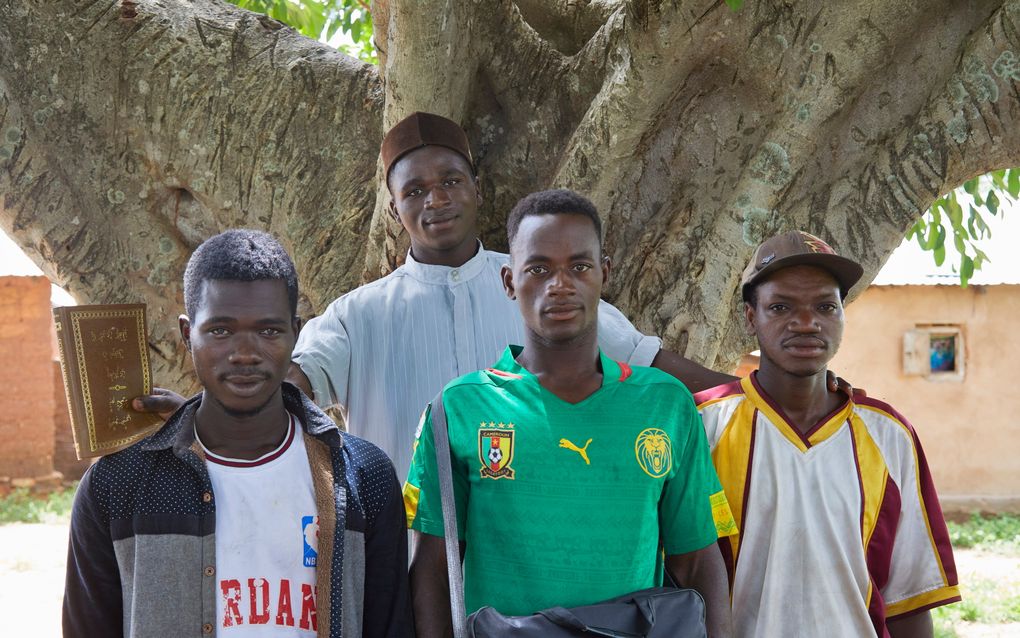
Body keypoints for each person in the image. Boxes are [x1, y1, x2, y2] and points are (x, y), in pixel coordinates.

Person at [279, 111, 730, 480]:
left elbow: (649, 364)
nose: (435, 199)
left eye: (451, 181)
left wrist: (758, 398)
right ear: (395, 210)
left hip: (530, 553)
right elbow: (294, 385)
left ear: (477, 188)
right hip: (407, 558)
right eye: (415, 191)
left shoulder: (533, 281)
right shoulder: (356, 316)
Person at [403, 190, 736, 637]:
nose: (560, 285)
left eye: (579, 266)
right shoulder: (458, 409)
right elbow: (432, 569)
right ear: (508, 281)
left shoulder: (665, 404)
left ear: (604, 273)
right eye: (538, 269)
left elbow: (696, 562)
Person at [63, 230, 413, 638]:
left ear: (295, 333)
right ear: (186, 334)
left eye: (268, 331)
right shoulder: (118, 485)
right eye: (220, 331)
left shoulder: (363, 476)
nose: (245, 353)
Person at [694, 231, 960, 638]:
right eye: (781, 307)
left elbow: (909, 602)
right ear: (751, 318)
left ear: (842, 315)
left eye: (825, 306)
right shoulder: (704, 425)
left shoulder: (888, 435)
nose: (805, 322)